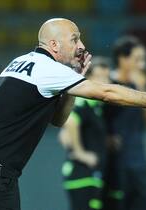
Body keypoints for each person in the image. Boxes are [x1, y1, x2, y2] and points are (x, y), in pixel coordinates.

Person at [0, 18, 146, 210]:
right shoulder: (48, 68)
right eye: (74, 39)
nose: (81, 45)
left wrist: (72, 83)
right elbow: (108, 92)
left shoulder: (22, 61)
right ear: (54, 45)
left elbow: (57, 120)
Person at [102, 36, 146, 210]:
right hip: (112, 163)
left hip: (137, 160)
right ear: (122, 59)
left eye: (143, 60)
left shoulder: (140, 86)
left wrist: (143, 91)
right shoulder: (106, 86)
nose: (142, 65)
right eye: (137, 59)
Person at [58, 57, 110, 210]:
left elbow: (63, 136)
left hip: (92, 175)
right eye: (100, 76)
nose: (105, 81)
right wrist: (80, 153)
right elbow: (69, 122)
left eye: (107, 77)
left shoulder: (97, 107)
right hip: (81, 174)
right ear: (89, 78)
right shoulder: (83, 102)